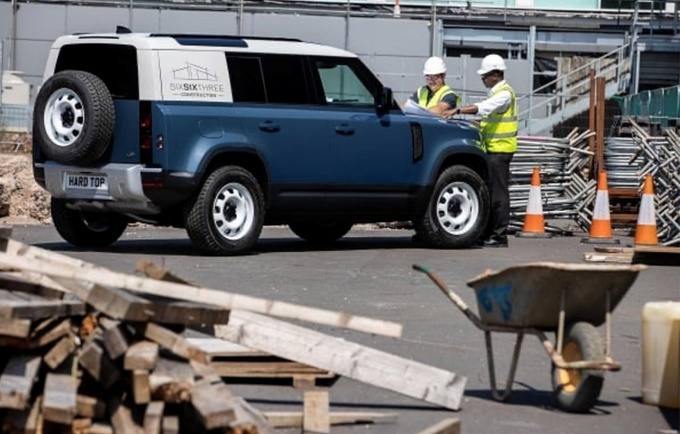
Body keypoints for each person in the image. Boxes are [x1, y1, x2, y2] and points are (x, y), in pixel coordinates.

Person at [444, 54, 517, 248]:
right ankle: (489, 234)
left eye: (484, 75)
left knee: (498, 195)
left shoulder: (504, 94)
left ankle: (499, 236)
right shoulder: (496, 92)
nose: (482, 78)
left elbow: (484, 109)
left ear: (495, 74)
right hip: (492, 149)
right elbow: (487, 119)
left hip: (500, 151)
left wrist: (458, 111)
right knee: (490, 193)